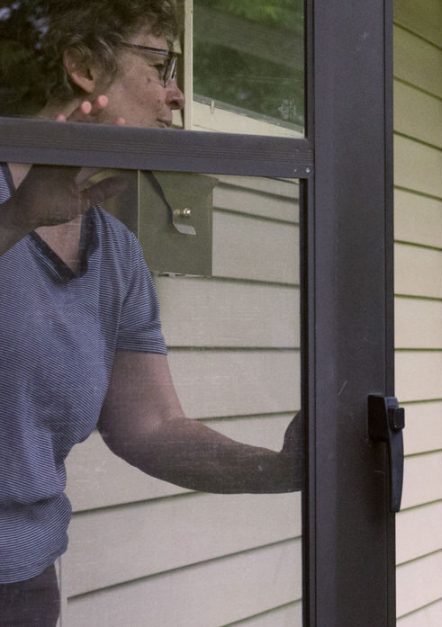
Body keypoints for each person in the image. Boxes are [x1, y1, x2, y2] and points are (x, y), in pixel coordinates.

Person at [0, 2, 301, 624]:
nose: (177, 96)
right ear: (83, 66)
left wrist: (281, 470)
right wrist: (18, 218)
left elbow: (153, 429)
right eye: (161, 64)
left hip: (23, 584)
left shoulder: (115, 253)